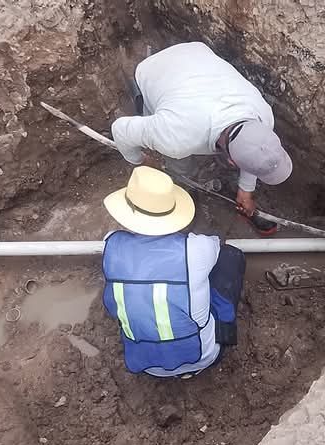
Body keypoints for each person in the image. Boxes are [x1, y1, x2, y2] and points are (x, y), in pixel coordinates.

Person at [110, 42, 293, 222]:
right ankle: (184, 182)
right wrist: (141, 161)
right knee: (178, 158)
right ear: (231, 161)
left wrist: (246, 190)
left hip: (197, 53)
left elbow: (253, 149)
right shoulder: (177, 137)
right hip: (152, 71)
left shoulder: (264, 115)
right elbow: (120, 130)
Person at [100, 166, 245, 378]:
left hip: (148, 367)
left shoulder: (110, 246)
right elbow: (216, 246)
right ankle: (224, 334)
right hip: (203, 357)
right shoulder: (196, 249)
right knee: (230, 257)